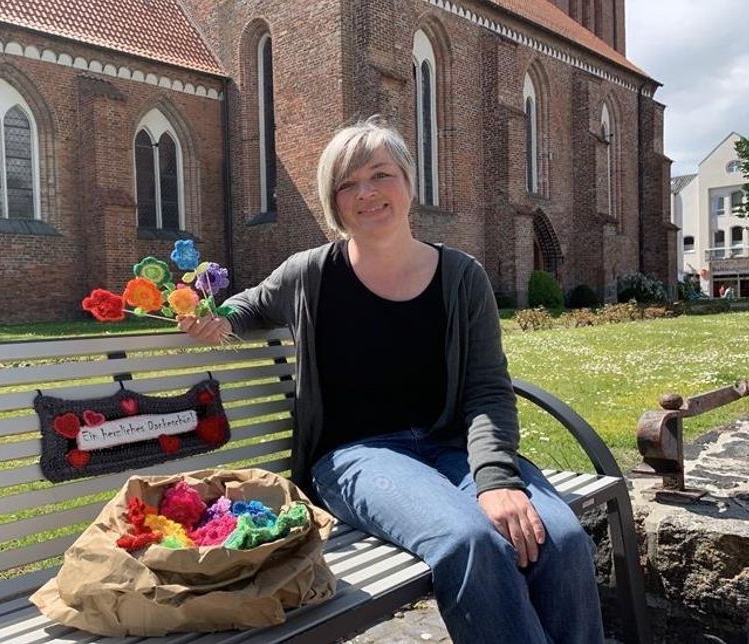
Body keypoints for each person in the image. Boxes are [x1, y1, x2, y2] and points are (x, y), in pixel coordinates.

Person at [178, 117, 604, 643]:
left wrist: (496, 482)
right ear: (332, 201)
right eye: (347, 183)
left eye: (380, 174)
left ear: (408, 181)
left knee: (559, 537)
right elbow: (250, 304)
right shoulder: (309, 273)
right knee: (469, 539)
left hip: (451, 447)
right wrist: (218, 319)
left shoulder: (461, 277)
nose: (367, 192)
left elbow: (488, 390)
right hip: (355, 456)